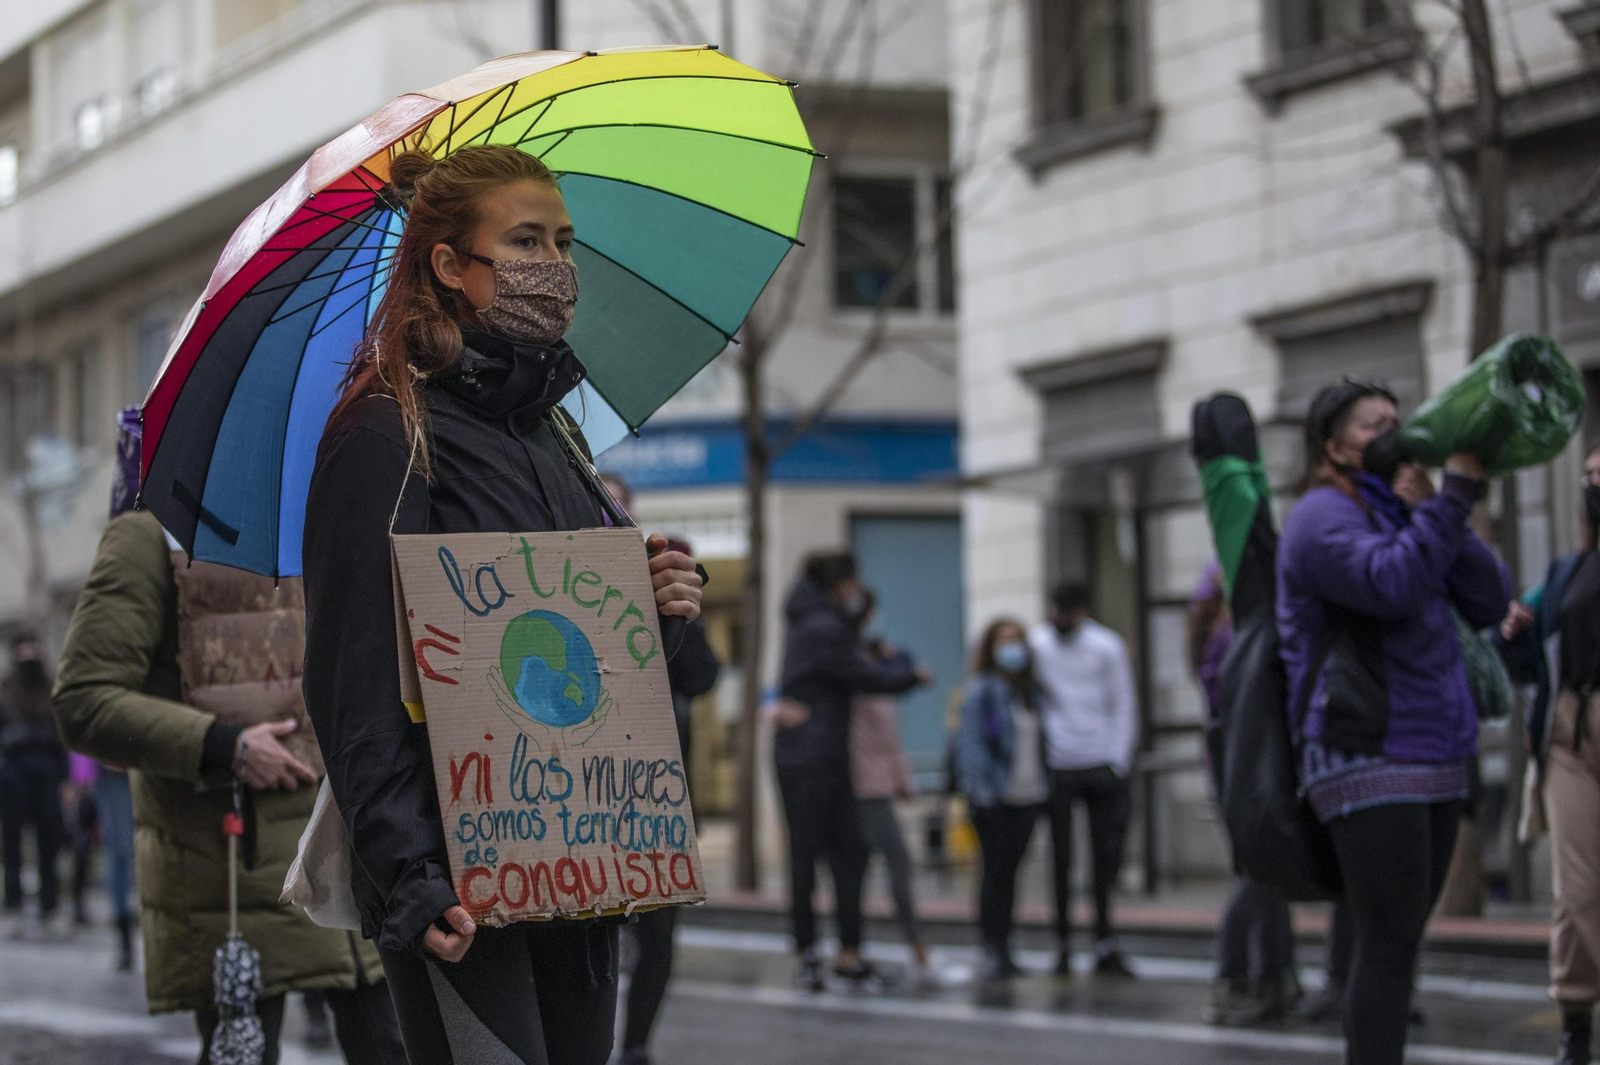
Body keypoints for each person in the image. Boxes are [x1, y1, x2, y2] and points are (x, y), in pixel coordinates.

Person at [300, 144, 704, 1065]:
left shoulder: (557, 437)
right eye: (525, 241)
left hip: (578, 860)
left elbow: (583, 670)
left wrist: (656, 616)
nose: (554, 266)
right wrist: (412, 874)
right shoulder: (382, 430)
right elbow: (354, 679)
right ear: (450, 264)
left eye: (563, 242)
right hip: (458, 877)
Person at [53, 408, 406, 1065]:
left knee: (392, 1046)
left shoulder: (310, 519)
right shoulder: (148, 534)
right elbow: (83, 699)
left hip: (348, 862)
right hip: (229, 875)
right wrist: (225, 746)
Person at [1278, 376, 1508, 1065]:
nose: (1393, 435)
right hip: (1367, 751)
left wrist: (1438, 505)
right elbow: (1390, 584)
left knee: (1402, 942)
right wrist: (1452, 500)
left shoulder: (1409, 508)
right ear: (1333, 448)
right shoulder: (1319, 516)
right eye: (1373, 425)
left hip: (1437, 749)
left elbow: (1490, 597)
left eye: (1396, 421)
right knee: (1386, 940)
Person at [601, 474, 723, 1065]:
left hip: (655, 794)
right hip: (579, 795)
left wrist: (678, 611)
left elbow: (700, 678)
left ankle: (636, 1047)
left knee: (656, 935)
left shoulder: (657, 579)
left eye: (617, 505)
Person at [775, 552, 924, 990]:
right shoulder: (824, 626)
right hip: (814, 759)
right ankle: (827, 954)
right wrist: (910, 672)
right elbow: (867, 677)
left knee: (832, 856)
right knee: (830, 857)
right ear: (840, 583)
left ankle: (830, 954)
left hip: (811, 755)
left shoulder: (812, 622)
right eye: (854, 583)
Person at [1498, 443, 1600, 1065]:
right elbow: (1524, 653)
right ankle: (1576, 1019)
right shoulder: (1566, 572)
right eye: (1589, 475)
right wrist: (1515, 630)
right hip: (1570, 736)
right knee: (1577, 892)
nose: (1594, 483)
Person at [1188, 561, 1298, 1025]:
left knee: (1271, 879)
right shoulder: (1231, 640)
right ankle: (1235, 978)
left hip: (1247, 773)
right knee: (1258, 877)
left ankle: (1274, 976)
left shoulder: (1223, 639)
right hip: (1249, 775)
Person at [1030, 581, 1139, 978]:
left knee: (1103, 857)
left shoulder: (1105, 646)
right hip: (1058, 763)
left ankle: (1104, 940)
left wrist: (1117, 759)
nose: (1059, 618)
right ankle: (1061, 942)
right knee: (1060, 858)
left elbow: (1123, 702)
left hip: (1099, 761)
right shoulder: (1037, 645)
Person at [847, 590, 937, 985]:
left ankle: (861, 951)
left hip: (880, 785)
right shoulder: (858, 673)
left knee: (872, 868)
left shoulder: (879, 670)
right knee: (895, 863)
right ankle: (915, 950)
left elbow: (889, 737)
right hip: (863, 787)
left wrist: (902, 780)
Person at [956, 618, 1048, 981]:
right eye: (1004, 641)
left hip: (1029, 793)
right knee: (994, 873)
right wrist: (981, 793)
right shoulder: (982, 690)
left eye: (1016, 640)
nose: (1012, 648)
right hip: (994, 796)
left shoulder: (1031, 692)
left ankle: (1006, 947)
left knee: (1011, 874)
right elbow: (972, 746)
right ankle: (990, 946)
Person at [1, 630, 68, 942]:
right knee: (12, 846)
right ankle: (13, 906)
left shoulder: (51, 691)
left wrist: (67, 779)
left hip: (46, 777)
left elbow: (63, 739)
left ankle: (49, 907)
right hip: (13, 778)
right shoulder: (6, 692)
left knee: (48, 845)